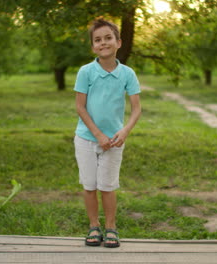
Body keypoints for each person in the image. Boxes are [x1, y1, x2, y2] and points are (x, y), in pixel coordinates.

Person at [74, 18, 141, 248]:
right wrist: (97, 134)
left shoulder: (127, 74)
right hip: (86, 138)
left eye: (108, 38)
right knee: (90, 185)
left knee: (108, 186)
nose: (103, 43)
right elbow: (80, 107)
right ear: (93, 46)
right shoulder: (85, 72)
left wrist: (125, 131)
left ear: (118, 42)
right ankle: (94, 226)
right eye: (98, 40)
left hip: (114, 141)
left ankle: (111, 228)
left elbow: (136, 108)